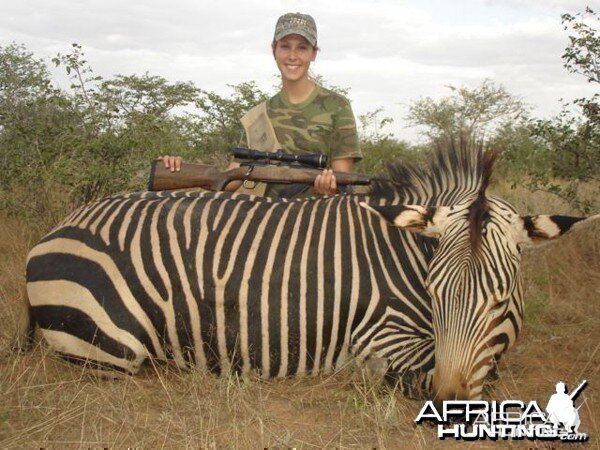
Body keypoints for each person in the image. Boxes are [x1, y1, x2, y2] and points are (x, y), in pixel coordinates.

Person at [160, 12, 362, 198]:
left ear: (314, 53)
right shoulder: (259, 114)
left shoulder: (337, 106)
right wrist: (178, 169)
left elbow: (342, 179)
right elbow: (230, 179)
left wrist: (329, 186)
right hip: (264, 225)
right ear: (273, 49)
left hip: (316, 223)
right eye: (285, 46)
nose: (293, 56)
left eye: (302, 47)